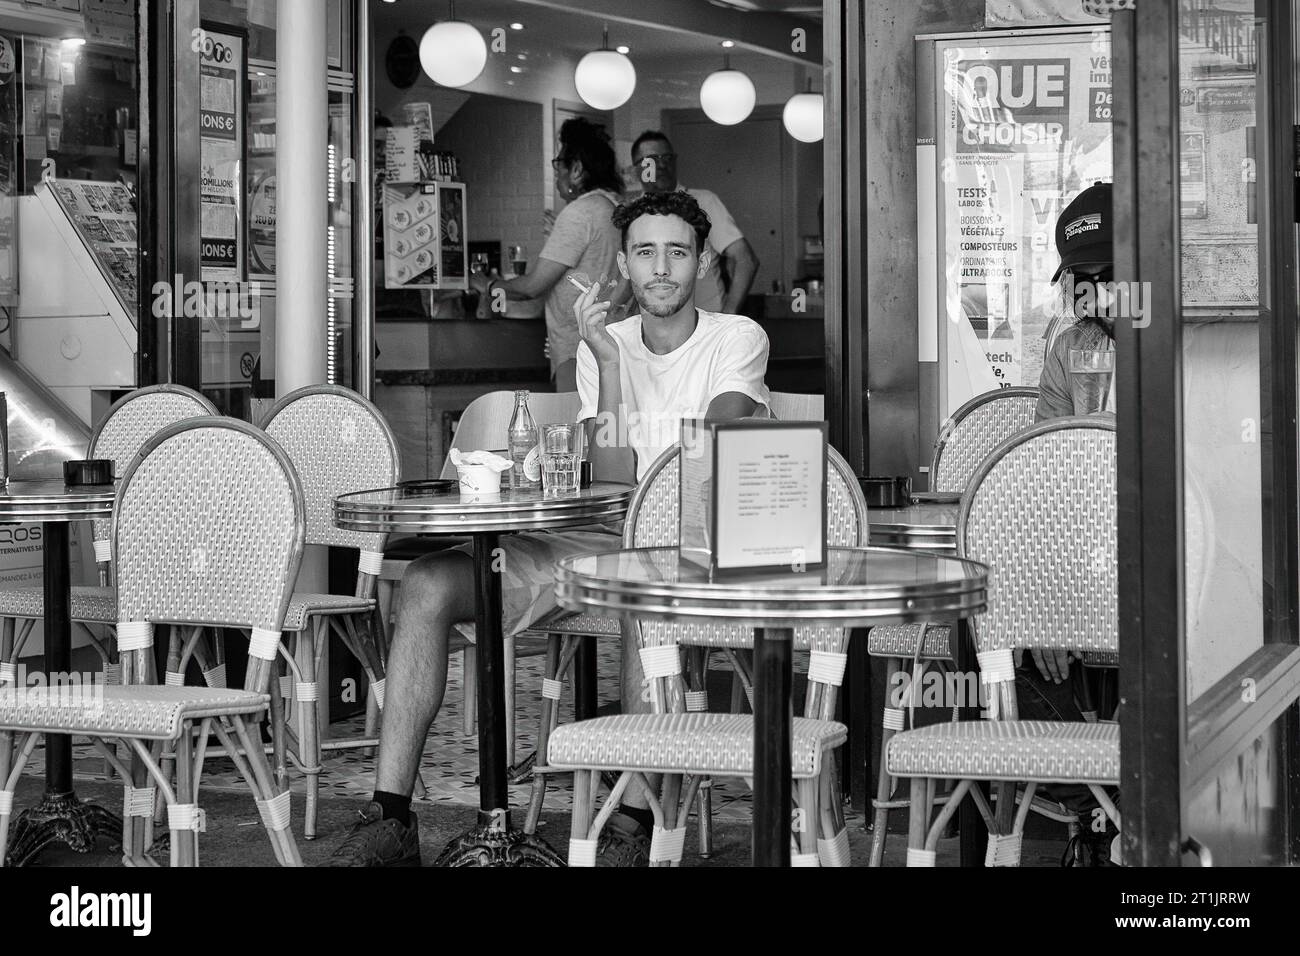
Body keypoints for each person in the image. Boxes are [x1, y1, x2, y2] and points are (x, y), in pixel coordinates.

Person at [329, 189, 771, 867]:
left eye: (677, 252)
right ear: (622, 263)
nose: (660, 268)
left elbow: (713, 447)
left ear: (702, 262)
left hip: (686, 548)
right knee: (426, 583)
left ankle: (633, 821)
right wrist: (611, 362)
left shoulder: (736, 337)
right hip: (590, 542)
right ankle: (391, 818)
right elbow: (613, 473)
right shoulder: (604, 347)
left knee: (638, 588)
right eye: (645, 252)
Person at [1026, 180, 1121, 865]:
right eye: (1078, 279)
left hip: (1169, 565)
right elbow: (1044, 476)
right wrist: (1042, 598)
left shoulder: (1188, 337)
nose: (1089, 293)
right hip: (1089, 560)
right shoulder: (1071, 348)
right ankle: (1098, 807)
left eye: (1104, 274)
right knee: (998, 633)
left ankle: (1123, 810)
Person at [469, 117, 623, 391]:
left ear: (576, 169)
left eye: (558, 163)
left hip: (578, 352)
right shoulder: (614, 208)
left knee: (577, 418)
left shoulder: (579, 213)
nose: (556, 173)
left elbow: (532, 287)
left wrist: (489, 286)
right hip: (611, 345)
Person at [623, 130, 760, 315]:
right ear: (636, 169)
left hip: (707, 322)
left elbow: (745, 260)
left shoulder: (704, 202)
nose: (662, 165)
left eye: (667, 158)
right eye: (652, 160)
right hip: (652, 326)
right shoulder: (632, 213)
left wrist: (728, 315)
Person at [1036, 182, 1115, 422]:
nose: (1101, 299)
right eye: (1083, 284)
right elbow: (1050, 441)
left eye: (1113, 277)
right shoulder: (1067, 350)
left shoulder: (1191, 343)